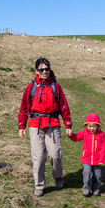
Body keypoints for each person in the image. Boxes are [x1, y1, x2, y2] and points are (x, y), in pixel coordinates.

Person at [18, 57, 72, 197]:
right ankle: (39, 185)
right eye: (41, 69)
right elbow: (24, 107)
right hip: (35, 125)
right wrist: (21, 125)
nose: (44, 72)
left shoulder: (56, 86)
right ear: (36, 71)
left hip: (52, 124)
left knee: (55, 155)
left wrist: (68, 124)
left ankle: (58, 176)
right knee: (39, 157)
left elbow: (63, 106)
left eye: (47, 69)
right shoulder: (31, 87)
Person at [68, 113, 105, 196]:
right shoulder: (84, 133)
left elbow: (104, 147)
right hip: (86, 159)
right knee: (87, 173)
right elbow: (77, 138)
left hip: (98, 160)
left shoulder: (101, 135)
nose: (91, 128)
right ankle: (86, 188)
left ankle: (96, 188)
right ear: (86, 126)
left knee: (98, 175)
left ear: (98, 126)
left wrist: (102, 160)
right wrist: (71, 135)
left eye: (94, 126)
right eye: (89, 126)